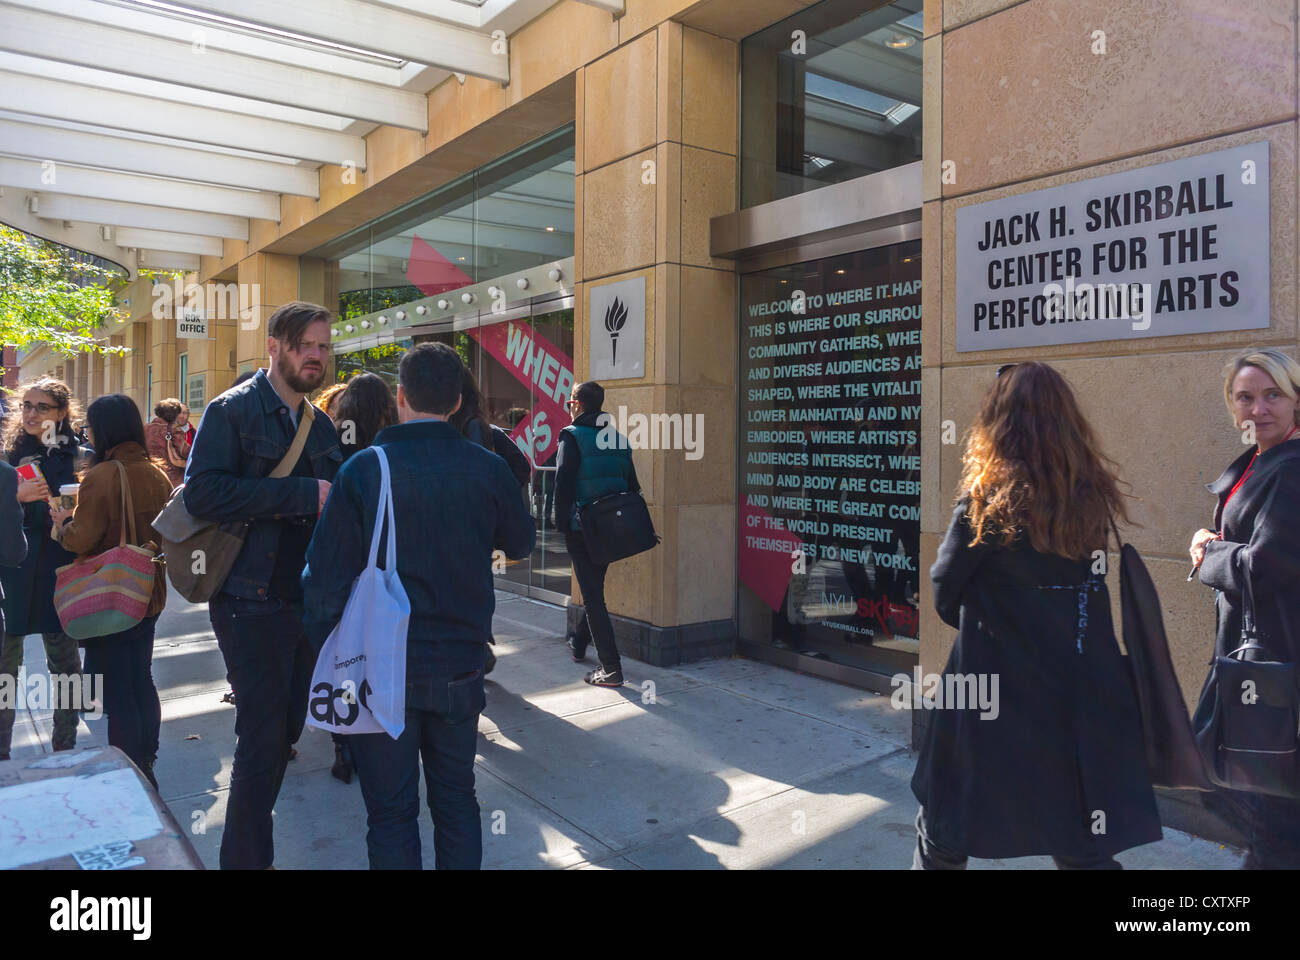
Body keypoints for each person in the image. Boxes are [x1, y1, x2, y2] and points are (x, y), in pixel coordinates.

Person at [910, 361, 1161, 869]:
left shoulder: (983, 501)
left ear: (997, 421)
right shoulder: (1090, 496)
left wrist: (994, 626)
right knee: (1076, 830)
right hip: (1075, 687)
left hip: (989, 688)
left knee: (945, 826)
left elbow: (943, 589)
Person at [303, 343, 534, 869]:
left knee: (389, 813)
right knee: (457, 801)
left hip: (381, 671)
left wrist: (328, 647)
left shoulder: (364, 470)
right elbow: (520, 543)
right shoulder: (487, 467)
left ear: (400, 396)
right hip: (459, 664)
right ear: (456, 403)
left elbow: (321, 583)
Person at [183, 300, 341, 870]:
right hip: (247, 600)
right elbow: (202, 493)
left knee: (285, 730)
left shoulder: (320, 423)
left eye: (324, 346)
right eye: (307, 346)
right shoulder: (233, 411)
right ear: (275, 346)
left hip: (304, 601)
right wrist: (301, 496)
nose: (317, 356)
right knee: (262, 736)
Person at [1190, 347, 1300, 869]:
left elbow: (1267, 567)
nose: (1259, 409)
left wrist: (1208, 552)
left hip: (1275, 666)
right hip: (1257, 661)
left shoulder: (1293, 470)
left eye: (1273, 394)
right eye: (1246, 397)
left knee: (1269, 817)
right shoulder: (1265, 458)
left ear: (1295, 397)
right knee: (1264, 816)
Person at [49, 396, 173, 787]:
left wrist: (63, 521)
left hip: (111, 595)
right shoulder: (158, 474)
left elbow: (81, 539)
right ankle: (148, 760)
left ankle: (130, 771)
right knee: (141, 677)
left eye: (90, 427)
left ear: (103, 431)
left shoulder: (103, 475)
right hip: (147, 592)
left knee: (118, 690)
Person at [0, 378, 85, 759]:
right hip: (11, 569)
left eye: (42, 407)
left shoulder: (79, 456)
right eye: (27, 406)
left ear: (62, 413)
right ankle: (1, 747)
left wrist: (70, 513)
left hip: (59, 567)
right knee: (4, 665)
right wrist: (12, 494)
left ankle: (66, 741)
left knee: (66, 662)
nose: (31, 414)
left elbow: (96, 514)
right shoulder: (5, 453)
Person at [322, 372, 398, 783]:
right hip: (388, 562)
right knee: (381, 647)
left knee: (344, 652)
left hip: (345, 559)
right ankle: (380, 719)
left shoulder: (335, 443)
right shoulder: (394, 445)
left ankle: (343, 742)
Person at [554, 380, 640, 687]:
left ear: (577, 404)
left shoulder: (571, 437)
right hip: (612, 528)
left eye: (570, 403)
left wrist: (559, 523)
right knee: (594, 589)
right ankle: (578, 643)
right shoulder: (618, 439)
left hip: (583, 528)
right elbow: (632, 485)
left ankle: (611, 669)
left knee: (592, 596)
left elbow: (563, 483)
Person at [449, 371, 532, 678]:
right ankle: (480, 640)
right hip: (479, 528)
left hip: (458, 526)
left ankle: (478, 645)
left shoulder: (459, 431)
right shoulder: (486, 429)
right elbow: (522, 468)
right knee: (478, 583)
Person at [145, 397, 193, 487]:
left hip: (150, 475)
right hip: (171, 479)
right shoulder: (173, 429)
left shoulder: (145, 428)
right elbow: (187, 452)